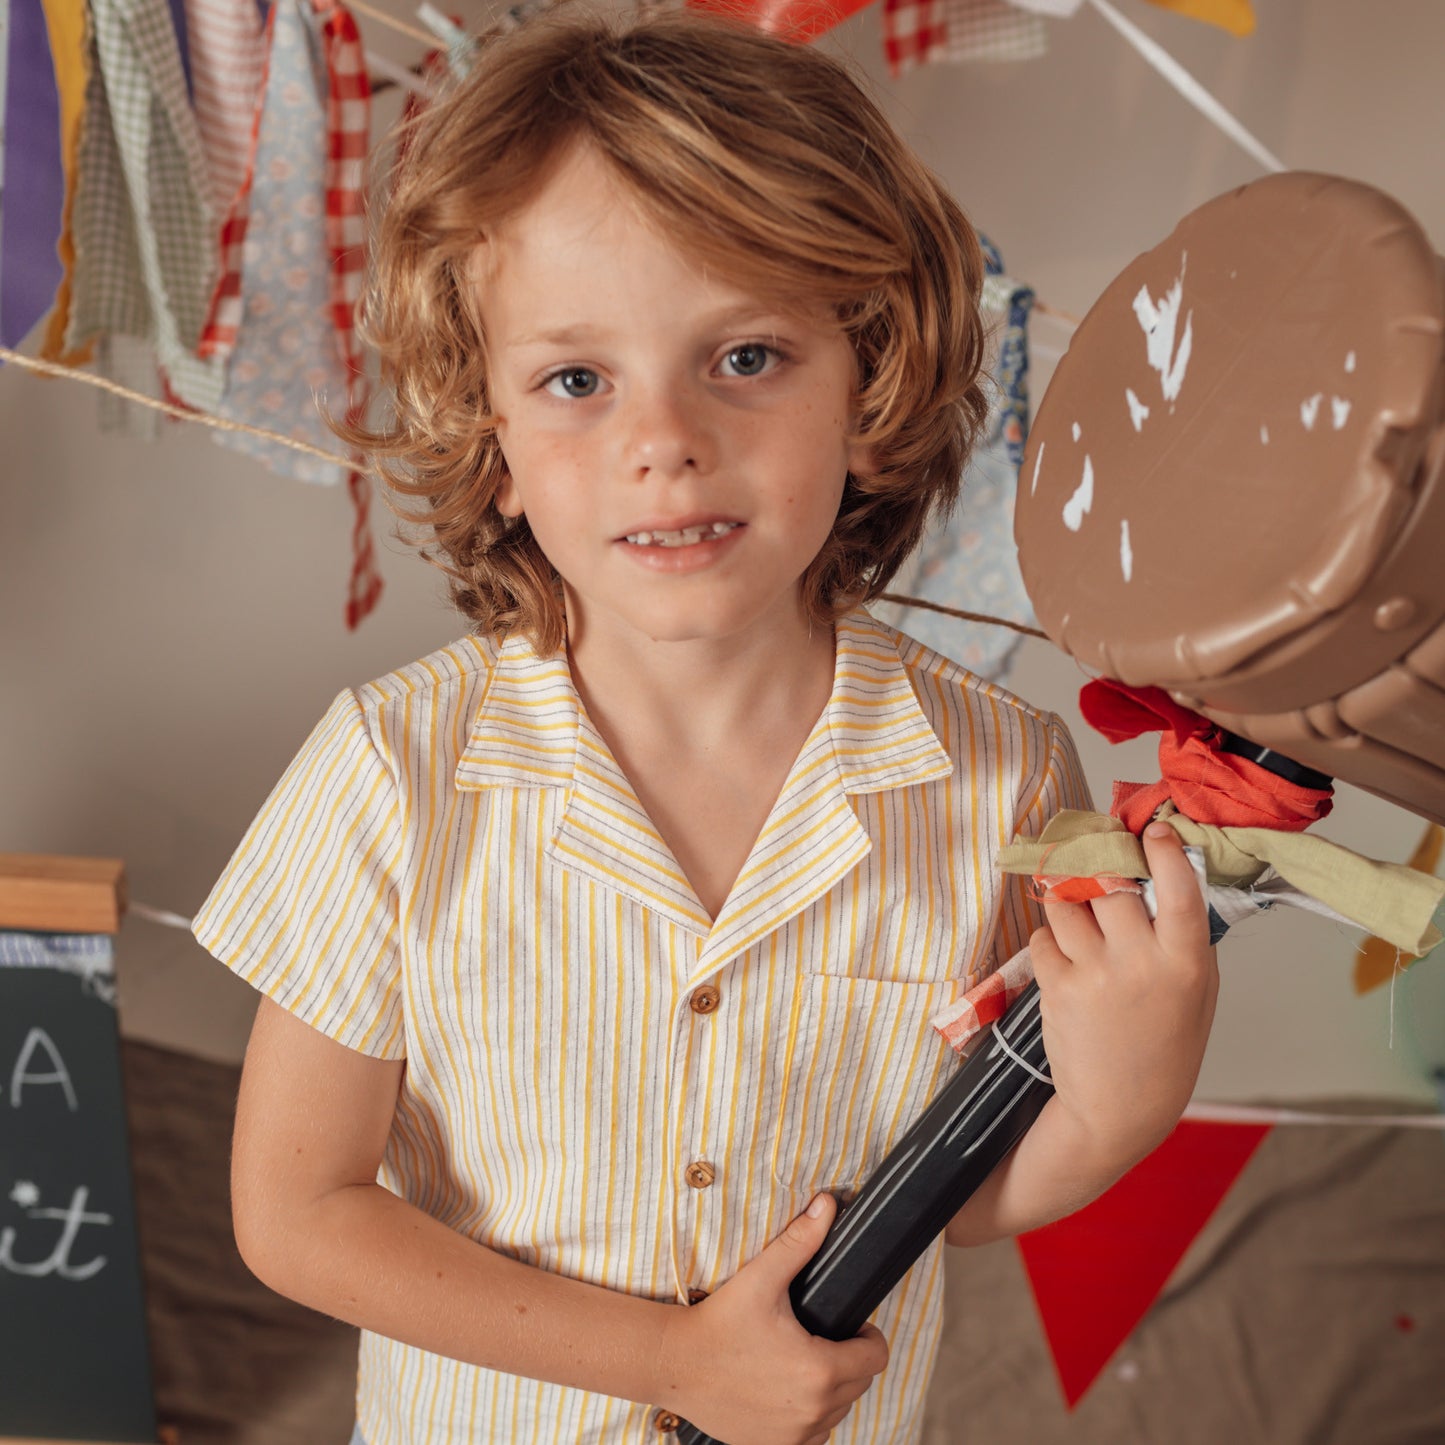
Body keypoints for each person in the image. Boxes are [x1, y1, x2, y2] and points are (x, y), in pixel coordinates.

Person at [193, 8, 1218, 1443]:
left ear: (868, 381)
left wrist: (1134, 1083)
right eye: (575, 379)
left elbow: (963, 1188)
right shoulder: (391, 768)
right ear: (489, 442)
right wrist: (670, 1359)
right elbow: (297, 1209)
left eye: (744, 356)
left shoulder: (1000, 776)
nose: (661, 437)